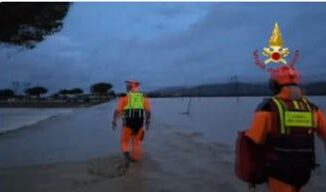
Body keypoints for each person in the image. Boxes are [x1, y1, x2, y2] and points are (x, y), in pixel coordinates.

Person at [245, 66, 326, 192]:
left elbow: (251, 143)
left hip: (278, 173)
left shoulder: (267, 109)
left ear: (274, 85)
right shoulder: (313, 109)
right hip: (304, 173)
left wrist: (251, 175)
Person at [112, 80, 151, 167]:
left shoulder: (124, 98)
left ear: (129, 88)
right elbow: (148, 112)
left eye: (127, 87)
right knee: (137, 143)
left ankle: (127, 158)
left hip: (127, 123)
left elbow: (117, 111)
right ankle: (136, 162)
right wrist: (147, 122)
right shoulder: (143, 98)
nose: (126, 89)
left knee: (124, 142)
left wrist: (114, 120)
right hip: (139, 123)